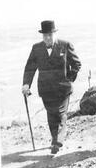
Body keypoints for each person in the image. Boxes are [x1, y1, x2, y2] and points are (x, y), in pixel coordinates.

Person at [22, 20, 82, 154]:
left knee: (60, 113)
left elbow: (77, 64)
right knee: (51, 115)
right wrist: (26, 84)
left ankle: (57, 142)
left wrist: (69, 79)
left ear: (55, 34)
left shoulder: (65, 45)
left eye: (50, 35)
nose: (47, 38)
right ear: (42, 36)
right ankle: (55, 139)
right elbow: (30, 68)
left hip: (63, 89)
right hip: (46, 89)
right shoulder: (36, 48)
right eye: (45, 35)